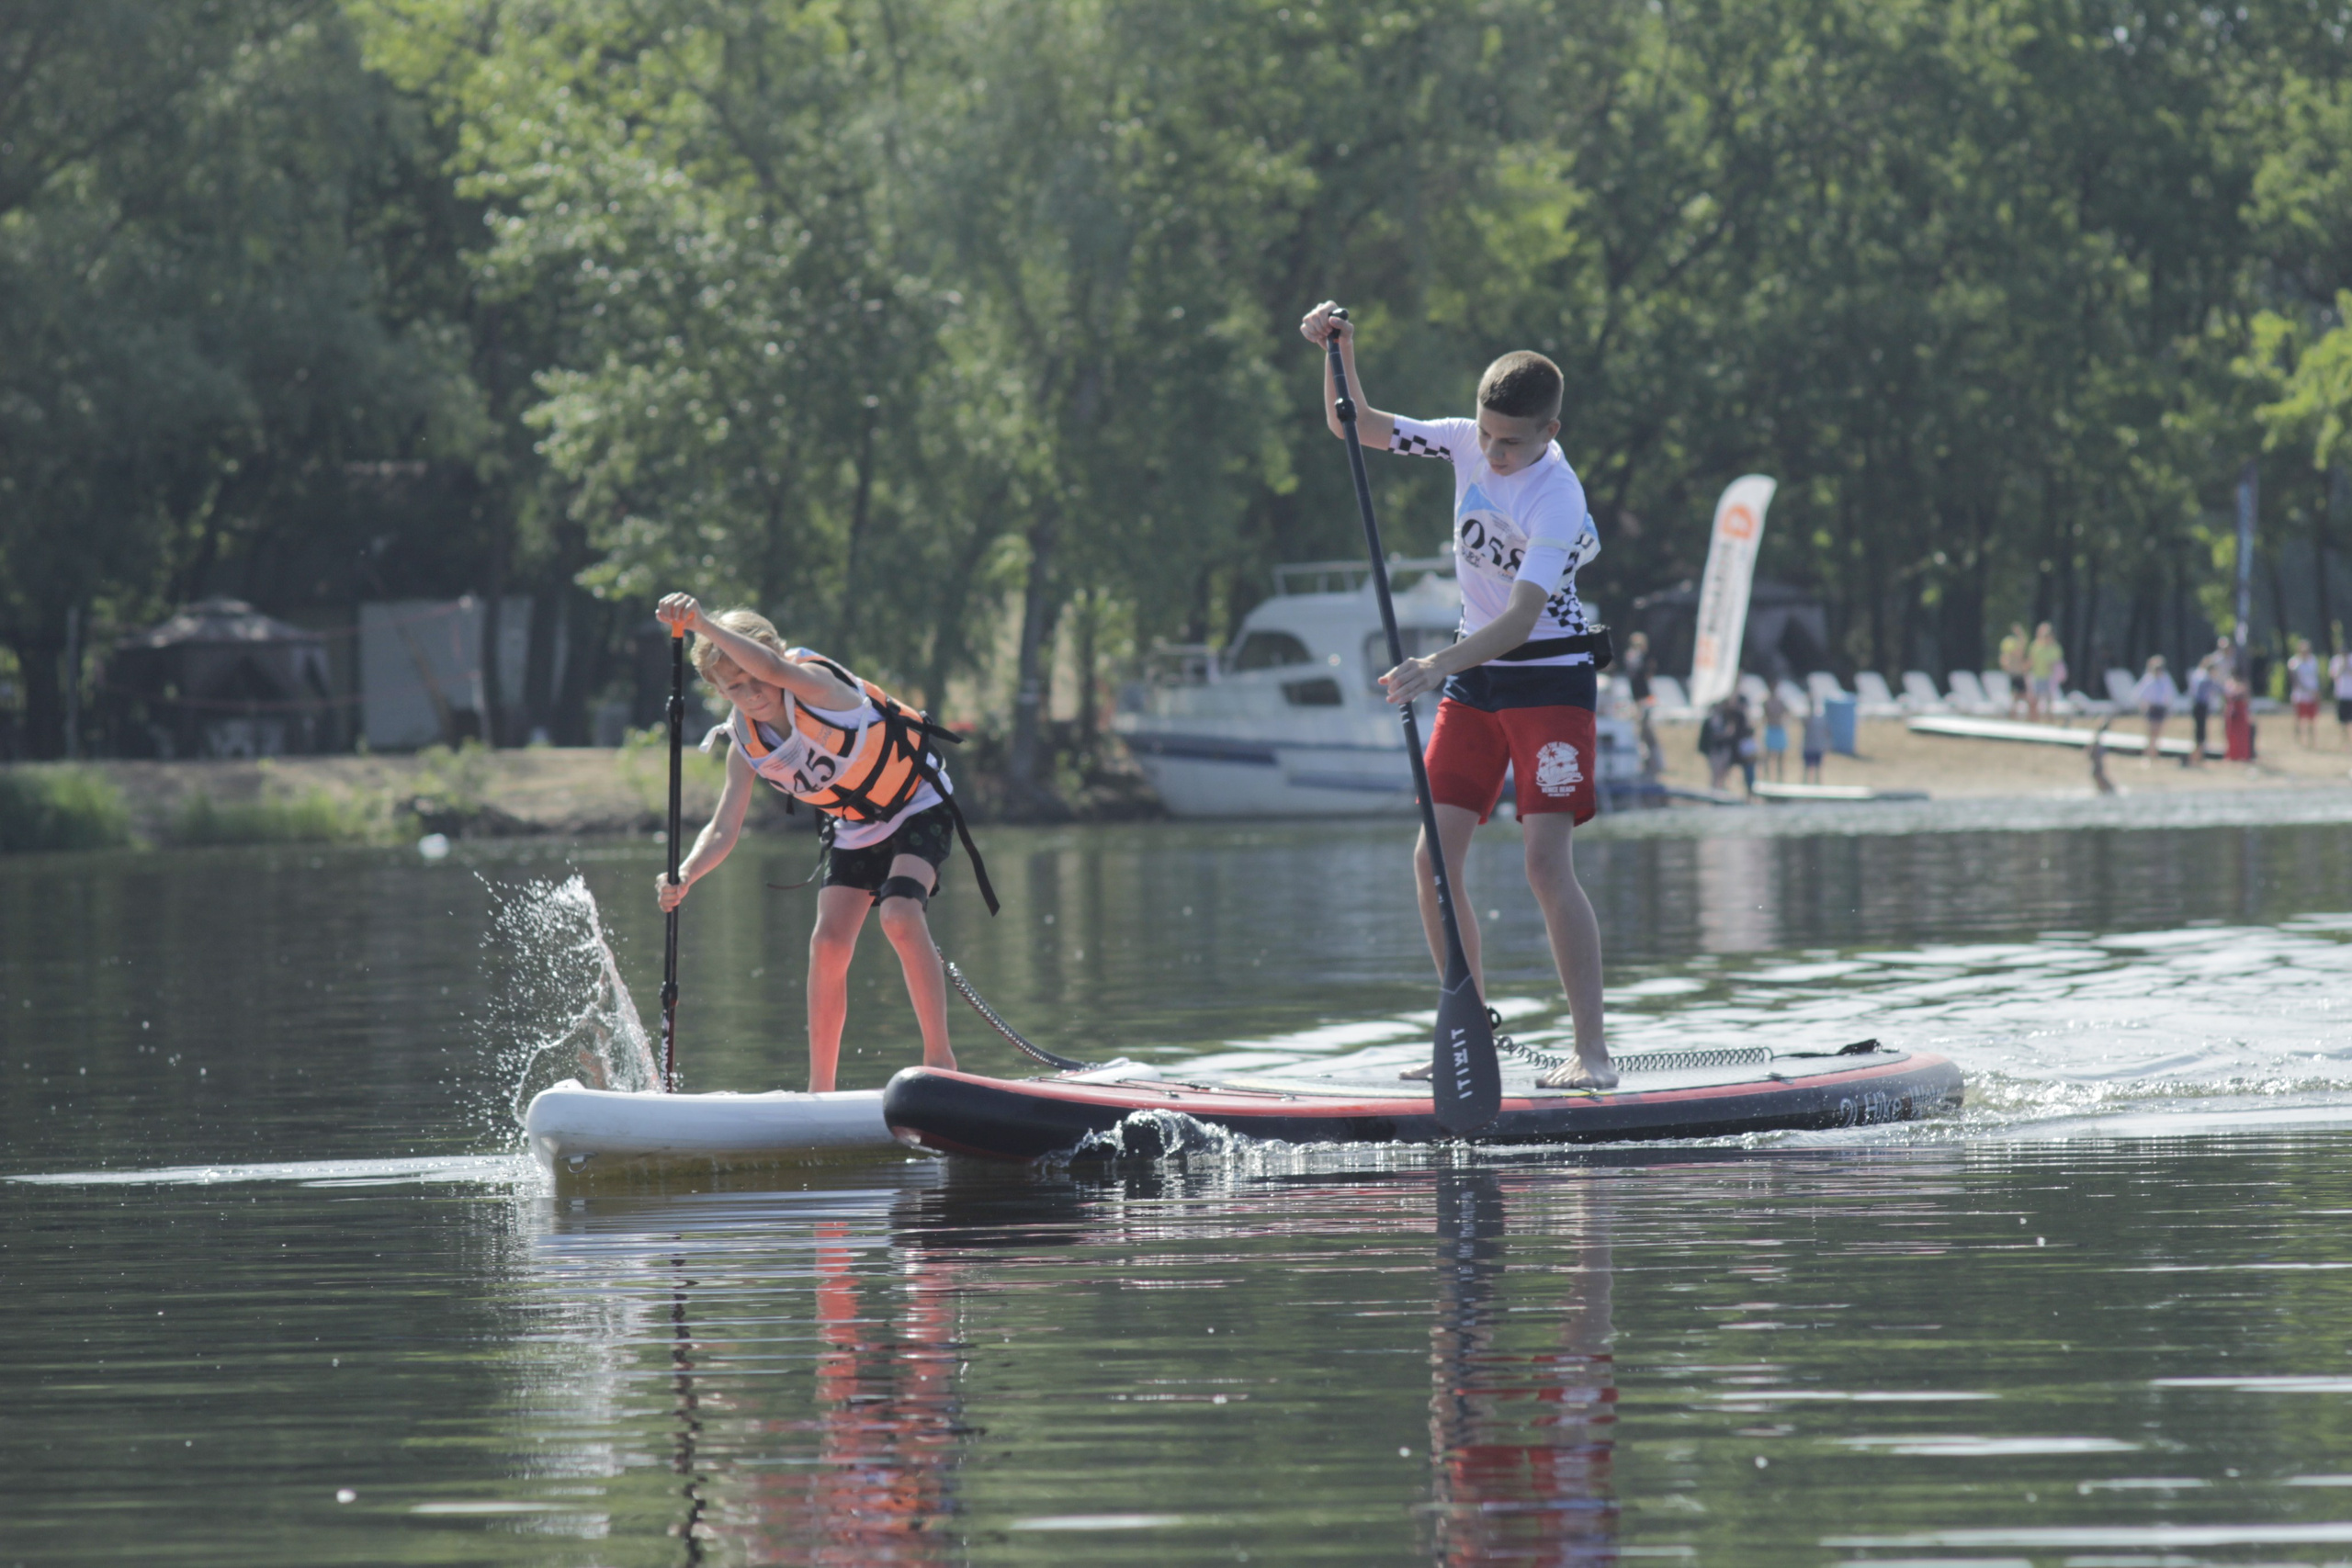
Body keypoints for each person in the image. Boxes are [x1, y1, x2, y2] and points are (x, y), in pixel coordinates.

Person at [1302, 300, 1614, 1089]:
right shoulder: (1462, 442)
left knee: (1546, 865)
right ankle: (1472, 1032)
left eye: (1513, 441)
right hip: (1476, 680)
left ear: (1550, 430)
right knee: (1433, 859)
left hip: (1546, 679)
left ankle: (1593, 1053)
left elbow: (1521, 617)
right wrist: (1338, 349)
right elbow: (1355, 425)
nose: (1495, 453)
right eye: (1487, 435)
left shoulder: (1556, 496)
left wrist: (1436, 663)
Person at [650, 594, 995, 1092]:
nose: (751, 694)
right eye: (734, 688)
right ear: (718, 690)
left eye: (754, 679)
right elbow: (723, 828)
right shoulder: (745, 745)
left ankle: (941, 1063)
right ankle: (820, 1091)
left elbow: (768, 666)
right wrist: (685, 874)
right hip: (855, 827)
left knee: (898, 914)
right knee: (828, 943)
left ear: (772, 657)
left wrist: (701, 622)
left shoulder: (815, 686)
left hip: (919, 800)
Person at [2135, 654, 2177, 767]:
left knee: (2157, 733)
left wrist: (2169, 708)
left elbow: (2170, 694)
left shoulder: (2165, 679)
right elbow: (2139, 693)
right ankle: (2147, 756)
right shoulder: (2148, 679)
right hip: (2152, 708)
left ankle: (2155, 755)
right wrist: (2144, 705)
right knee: (2150, 733)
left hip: (2161, 708)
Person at [2185, 654, 2220, 767]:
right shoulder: (2206, 679)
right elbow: (2216, 689)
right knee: (2200, 732)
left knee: (2200, 732)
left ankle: (2198, 756)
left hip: (2199, 705)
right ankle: (2196, 757)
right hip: (2200, 706)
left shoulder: (2200, 676)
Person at [2028, 622, 2064, 722]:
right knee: (2035, 700)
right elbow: (2031, 662)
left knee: (2049, 700)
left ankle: (2049, 719)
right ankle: (2035, 720)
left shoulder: (2055, 648)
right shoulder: (2035, 647)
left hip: (2049, 677)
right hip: (2037, 676)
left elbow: (2058, 663)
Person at [2289, 637, 2321, 747]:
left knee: (2312, 719)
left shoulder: (2313, 661)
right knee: (2298, 718)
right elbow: (2294, 680)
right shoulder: (2294, 662)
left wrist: (2316, 691)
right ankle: (2298, 740)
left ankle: (2312, 741)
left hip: (2312, 694)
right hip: (2300, 695)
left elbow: (2316, 677)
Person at [1999, 623, 2030, 717]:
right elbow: (2004, 658)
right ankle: (2013, 715)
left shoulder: (2017, 644)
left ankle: (2018, 715)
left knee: (2021, 696)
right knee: (2016, 696)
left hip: (2018, 674)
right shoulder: (2009, 643)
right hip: (2014, 674)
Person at [1760, 687, 1790, 782]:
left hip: (1778, 729)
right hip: (1771, 729)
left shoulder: (1780, 702)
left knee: (1780, 756)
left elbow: (1787, 712)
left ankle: (1779, 778)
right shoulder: (1766, 703)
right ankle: (1767, 776)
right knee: (1768, 755)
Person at [1801, 703, 1829, 784]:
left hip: (1817, 747)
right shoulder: (1807, 718)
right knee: (1807, 770)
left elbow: (1827, 732)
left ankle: (1818, 787)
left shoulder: (1821, 719)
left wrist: (1826, 745)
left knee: (1818, 770)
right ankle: (1805, 787)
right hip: (1809, 747)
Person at [2333, 643, 2352, 749]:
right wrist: (2342, 665)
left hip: (2351, 694)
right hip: (2341, 694)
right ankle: (2344, 741)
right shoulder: (2336, 660)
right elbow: (2334, 675)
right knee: (2342, 720)